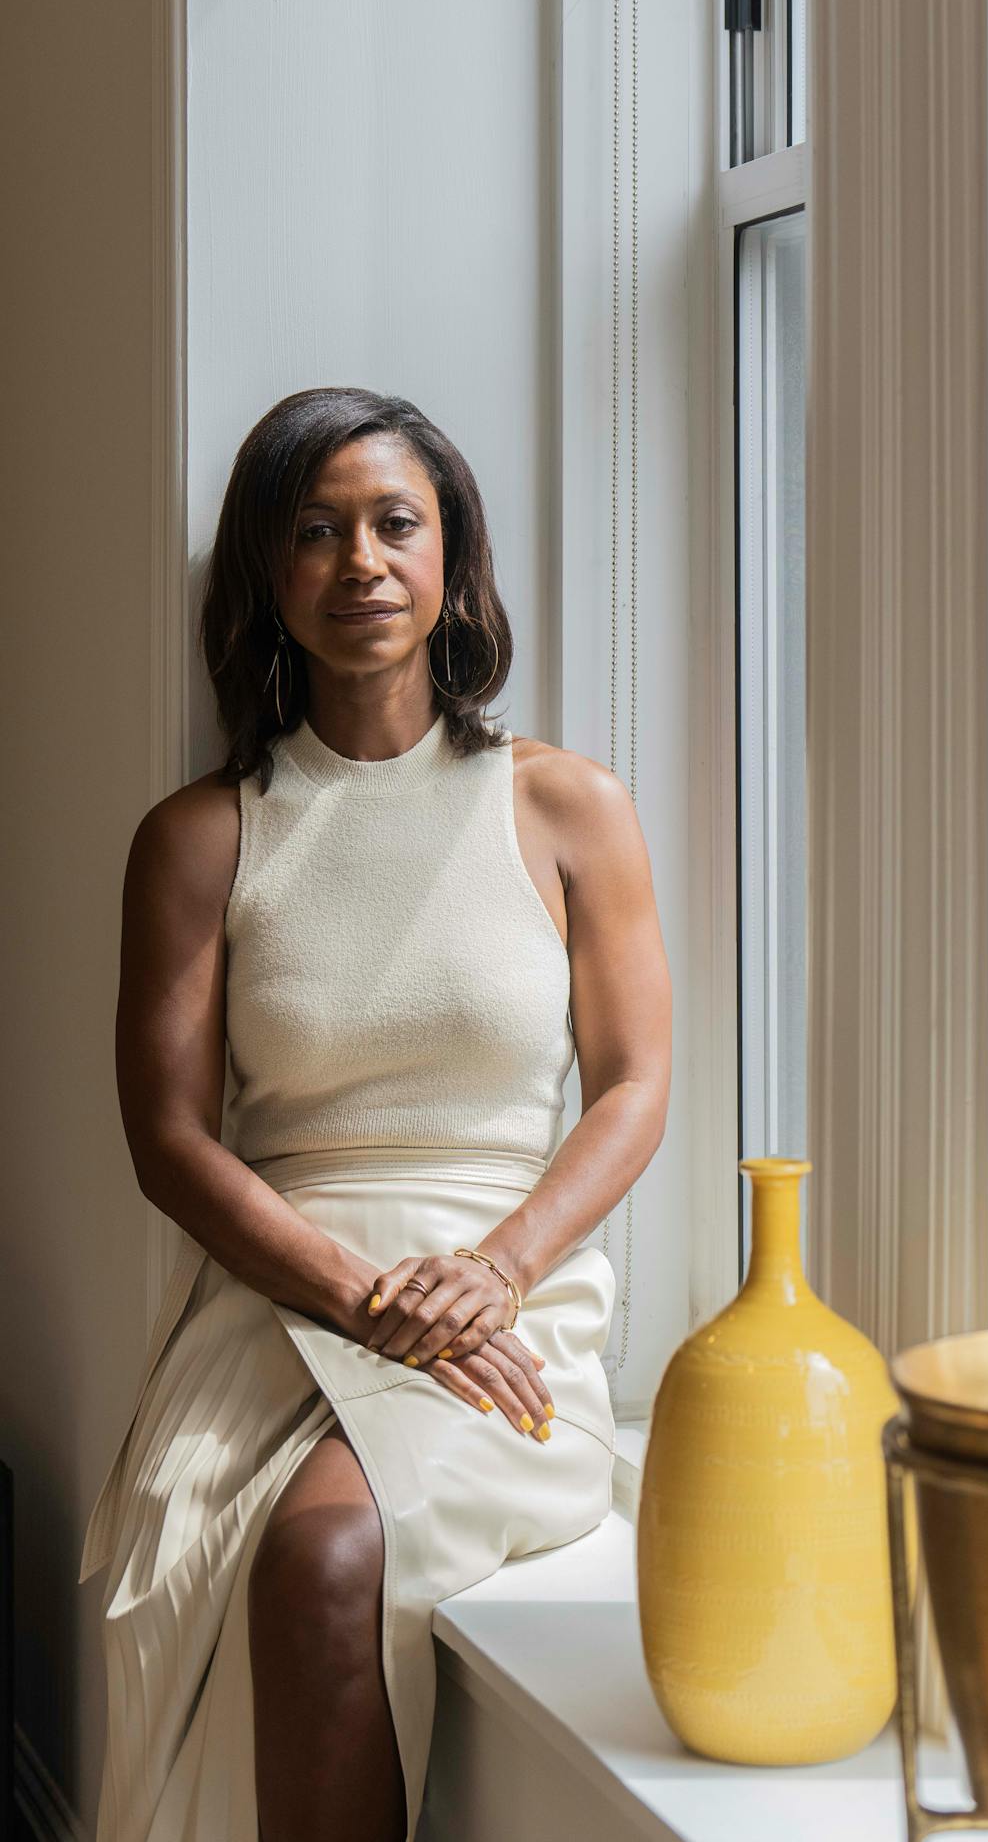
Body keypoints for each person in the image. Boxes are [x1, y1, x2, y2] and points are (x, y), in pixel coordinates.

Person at [77, 386, 673, 1842]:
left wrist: (498, 1271)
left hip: (501, 1297)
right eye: (316, 533)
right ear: (266, 579)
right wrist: (352, 1291)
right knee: (267, 1555)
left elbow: (636, 1085)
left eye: (396, 526)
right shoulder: (204, 835)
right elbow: (167, 1140)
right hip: (279, 1294)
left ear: (453, 560)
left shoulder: (565, 807)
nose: (361, 564)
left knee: (327, 1556)